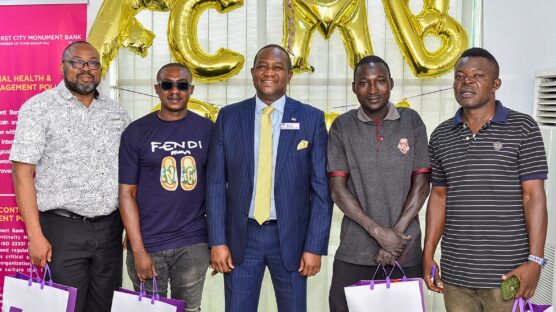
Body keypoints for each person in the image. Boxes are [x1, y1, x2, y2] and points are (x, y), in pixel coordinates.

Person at [206, 44, 333, 312]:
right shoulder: (229, 117)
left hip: (292, 239)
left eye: (278, 67)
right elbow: (216, 184)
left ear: (290, 75)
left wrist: (314, 247)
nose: (269, 73)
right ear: (252, 73)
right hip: (242, 236)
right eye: (262, 66)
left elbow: (322, 191)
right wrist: (217, 241)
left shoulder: (311, 119)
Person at [424, 47, 549, 311]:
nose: (466, 82)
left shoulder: (523, 127)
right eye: (459, 76)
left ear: (495, 84)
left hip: (508, 274)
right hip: (456, 274)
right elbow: (439, 197)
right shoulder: (441, 135)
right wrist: (428, 253)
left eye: (477, 75)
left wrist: (535, 261)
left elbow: (534, 196)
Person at [10, 41, 130, 311]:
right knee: (67, 307)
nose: (87, 69)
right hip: (62, 232)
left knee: (105, 306)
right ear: (63, 67)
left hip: (110, 229)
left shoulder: (117, 113)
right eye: (78, 62)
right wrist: (34, 236)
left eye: (94, 63)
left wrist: (132, 225)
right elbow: (22, 172)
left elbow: (131, 172)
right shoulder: (39, 108)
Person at [327, 55, 431, 311]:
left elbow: (422, 182)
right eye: (364, 83)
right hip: (354, 252)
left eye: (380, 81)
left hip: (404, 253)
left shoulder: (411, 121)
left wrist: (394, 239)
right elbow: (338, 191)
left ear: (391, 84)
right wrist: (379, 233)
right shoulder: (342, 126)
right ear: (354, 88)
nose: (373, 90)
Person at [118, 63, 211, 312]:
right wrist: (138, 249)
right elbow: (127, 193)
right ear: (157, 88)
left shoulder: (207, 130)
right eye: (167, 85)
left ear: (191, 90)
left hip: (192, 243)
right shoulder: (136, 132)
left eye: (181, 85)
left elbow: (219, 188)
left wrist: (219, 242)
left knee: (190, 310)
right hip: (148, 243)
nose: (174, 91)